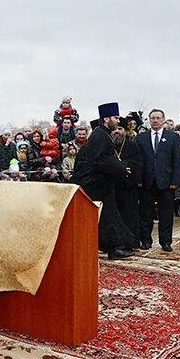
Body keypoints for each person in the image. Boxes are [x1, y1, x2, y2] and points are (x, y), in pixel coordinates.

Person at [72, 103, 136, 259]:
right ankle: (113, 248)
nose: (118, 120)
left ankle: (113, 247)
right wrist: (121, 168)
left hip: (102, 183)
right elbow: (101, 159)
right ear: (106, 118)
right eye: (115, 117)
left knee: (108, 216)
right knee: (106, 217)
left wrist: (119, 166)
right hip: (95, 184)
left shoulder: (103, 134)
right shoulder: (100, 135)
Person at [136, 109, 180, 252]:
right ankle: (145, 240)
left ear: (163, 120)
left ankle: (166, 242)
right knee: (145, 214)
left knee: (166, 214)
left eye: (158, 118)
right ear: (149, 120)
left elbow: (177, 160)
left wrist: (176, 180)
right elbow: (137, 160)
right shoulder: (141, 138)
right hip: (146, 182)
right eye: (152, 118)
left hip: (167, 182)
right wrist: (138, 179)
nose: (155, 120)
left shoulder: (173, 137)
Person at [115, 121, 144, 241]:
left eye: (120, 128)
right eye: (115, 129)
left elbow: (138, 162)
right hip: (112, 186)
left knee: (129, 215)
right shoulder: (108, 145)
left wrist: (123, 165)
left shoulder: (132, 145)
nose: (117, 131)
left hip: (128, 187)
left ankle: (131, 241)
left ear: (126, 131)